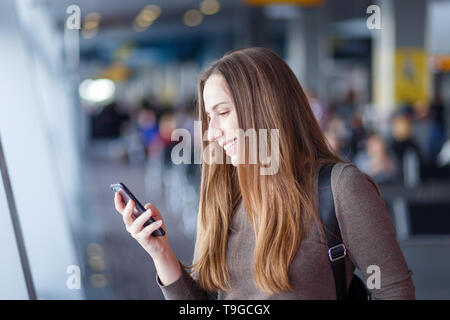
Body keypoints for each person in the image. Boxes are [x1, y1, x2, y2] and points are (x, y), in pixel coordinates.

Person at [113, 47, 415, 299]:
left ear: (264, 108)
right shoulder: (223, 192)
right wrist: (161, 253)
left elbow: (394, 292)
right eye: (208, 117)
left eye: (223, 112)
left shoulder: (340, 188)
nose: (213, 131)